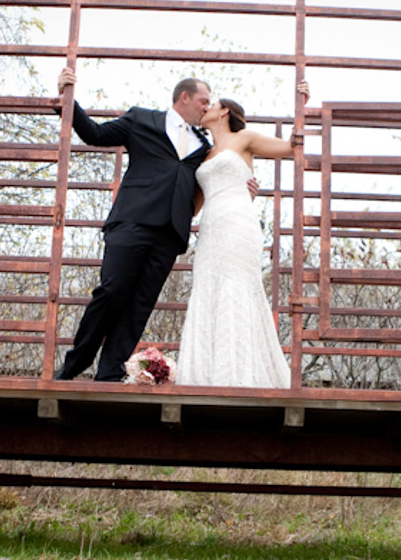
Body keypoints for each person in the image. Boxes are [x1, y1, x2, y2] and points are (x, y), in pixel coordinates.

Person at [53, 68, 254, 381]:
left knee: (139, 306)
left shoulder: (203, 145)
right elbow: (94, 134)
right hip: (132, 221)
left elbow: (212, 178)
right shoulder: (141, 120)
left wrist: (242, 188)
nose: (206, 107)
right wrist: (68, 100)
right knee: (111, 290)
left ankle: (109, 373)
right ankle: (74, 365)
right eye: (203, 101)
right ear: (184, 97)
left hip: (170, 233)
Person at [175, 84, 306, 388]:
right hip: (211, 228)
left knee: (238, 287)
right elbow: (193, 208)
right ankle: (203, 376)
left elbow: (290, 147)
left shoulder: (243, 139)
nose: (205, 107)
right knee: (208, 287)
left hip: (238, 223)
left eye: (212, 103)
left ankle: (240, 376)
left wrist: (303, 103)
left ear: (224, 112)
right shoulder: (204, 154)